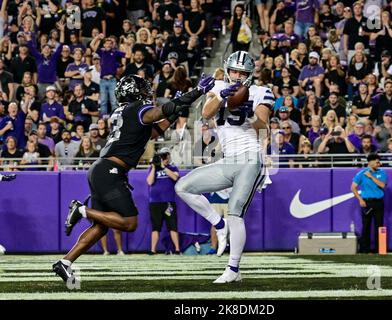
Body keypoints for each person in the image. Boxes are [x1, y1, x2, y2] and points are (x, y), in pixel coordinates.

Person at [52, 73, 215, 284]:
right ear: (135, 92)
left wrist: (177, 110)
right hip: (110, 171)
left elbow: (155, 131)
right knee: (129, 223)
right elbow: (161, 112)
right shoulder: (137, 109)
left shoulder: (126, 112)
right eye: (143, 88)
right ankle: (80, 210)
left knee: (101, 226)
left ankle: (65, 263)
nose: (147, 92)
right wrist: (195, 93)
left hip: (103, 170)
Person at [175, 51, 273, 283]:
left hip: (250, 158)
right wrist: (220, 97)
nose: (237, 76)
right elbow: (205, 114)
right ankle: (219, 224)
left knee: (235, 211)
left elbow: (264, 127)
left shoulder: (261, 91)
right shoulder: (219, 86)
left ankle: (233, 269)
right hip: (228, 159)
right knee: (183, 187)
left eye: (242, 73)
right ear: (228, 71)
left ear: (250, 75)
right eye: (234, 71)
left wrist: (248, 114)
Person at [146, 147, 181, 255]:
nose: (164, 158)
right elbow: (149, 182)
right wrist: (153, 167)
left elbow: (175, 178)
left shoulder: (172, 167)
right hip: (155, 202)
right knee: (156, 226)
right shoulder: (153, 169)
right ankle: (153, 250)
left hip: (168, 202)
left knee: (172, 225)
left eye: (165, 155)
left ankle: (177, 249)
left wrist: (163, 167)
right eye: (162, 156)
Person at [351, 153, 387, 253]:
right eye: (377, 162)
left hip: (379, 202)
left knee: (379, 226)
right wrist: (360, 199)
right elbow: (353, 187)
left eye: (379, 162)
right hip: (367, 203)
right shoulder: (361, 174)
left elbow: (382, 185)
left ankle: (380, 249)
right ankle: (364, 249)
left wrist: (371, 176)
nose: (379, 164)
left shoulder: (382, 172)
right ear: (370, 162)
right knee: (366, 226)